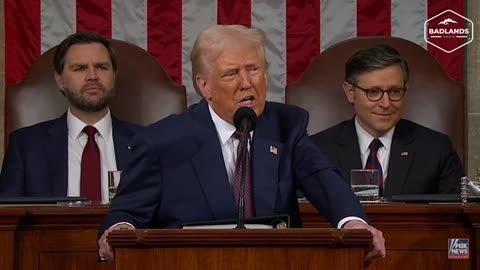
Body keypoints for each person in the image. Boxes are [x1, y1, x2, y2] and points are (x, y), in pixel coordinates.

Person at [98, 25, 385, 262]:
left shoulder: (286, 126)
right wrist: (119, 232)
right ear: (205, 86)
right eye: (231, 73)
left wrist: (355, 224)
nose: (247, 83)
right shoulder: (162, 141)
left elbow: (324, 181)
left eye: (254, 69)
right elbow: (125, 214)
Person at [0, 32, 141, 203]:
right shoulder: (25, 146)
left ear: (114, 76)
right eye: (79, 68)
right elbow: (8, 222)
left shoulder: (145, 143)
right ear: (60, 80)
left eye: (102, 67)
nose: (92, 76)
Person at [311, 45, 464, 197]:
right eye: (374, 92)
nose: (386, 103)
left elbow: (455, 216)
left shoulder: (436, 148)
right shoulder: (317, 150)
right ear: (350, 93)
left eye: (395, 91)